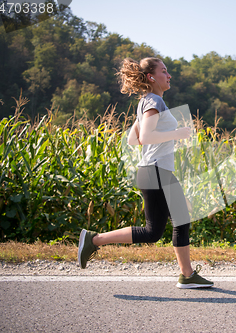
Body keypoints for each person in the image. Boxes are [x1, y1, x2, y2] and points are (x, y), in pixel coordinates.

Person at [77, 57, 213, 289]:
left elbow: (133, 139)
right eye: (164, 71)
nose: (169, 75)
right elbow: (145, 138)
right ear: (151, 77)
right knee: (181, 219)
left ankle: (94, 239)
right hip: (157, 170)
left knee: (153, 232)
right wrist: (177, 134)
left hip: (151, 171)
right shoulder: (154, 102)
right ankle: (187, 275)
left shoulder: (147, 102)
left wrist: (154, 128)